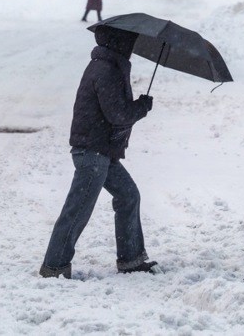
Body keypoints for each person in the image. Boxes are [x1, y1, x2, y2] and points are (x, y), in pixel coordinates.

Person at [39, 25, 157, 279]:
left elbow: (114, 111)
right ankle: (54, 266)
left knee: (128, 195)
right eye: (130, 42)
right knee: (78, 209)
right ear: (120, 43)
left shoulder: (110, 66)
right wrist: (141, 107)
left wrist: (135, 107)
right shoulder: (106, 70)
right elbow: (117, 115)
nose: (133, 49)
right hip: (92, 153)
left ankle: (131, 259)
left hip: (102, 150)